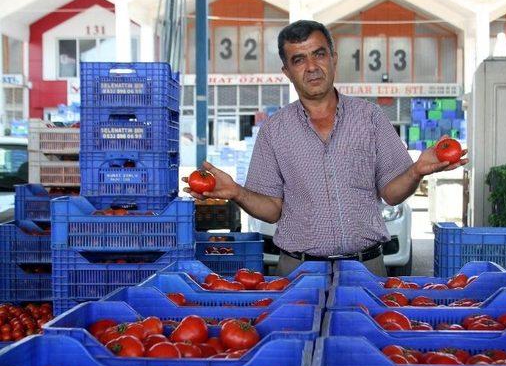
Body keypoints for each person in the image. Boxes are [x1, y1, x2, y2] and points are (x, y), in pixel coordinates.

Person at [184, 20, 467, 276]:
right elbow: (272, 210)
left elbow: (392, 195)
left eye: (319, 54)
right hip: (298, 271)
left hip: (366, 270)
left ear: (333, 58)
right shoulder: (274, 131)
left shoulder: (370, 118)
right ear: (287, 71)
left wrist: (416, 170)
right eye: (299, 59)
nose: (311, 66)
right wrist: (236, 192)